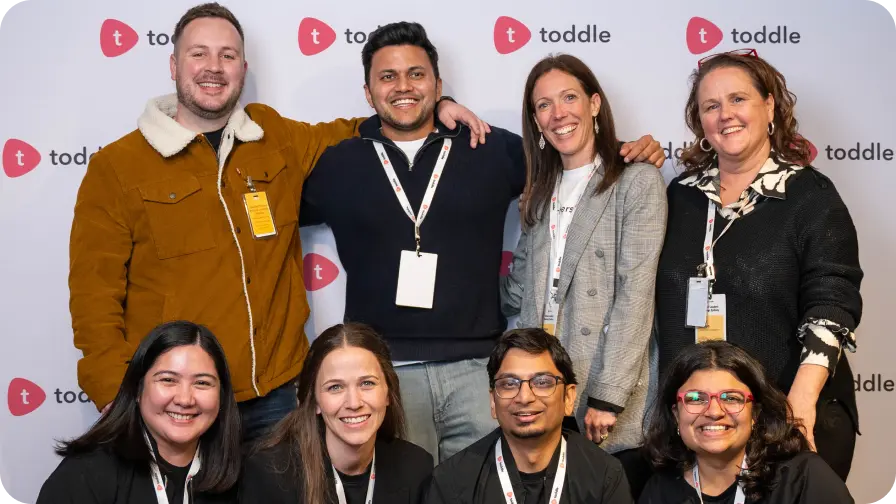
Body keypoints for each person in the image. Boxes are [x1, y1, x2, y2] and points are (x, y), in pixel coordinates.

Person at [68, 3, 487, 442]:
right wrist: (113, 390)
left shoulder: (273, 135)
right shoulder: (117, 167)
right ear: (174, 64)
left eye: (228, 55)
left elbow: (359, 130)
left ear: (243, 68)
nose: (214, 67)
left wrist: (436, 105)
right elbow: (93, 295)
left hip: (278, 395)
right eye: (199, 54)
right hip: (179, 398)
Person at [300, 21, 666, 463]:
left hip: (479, 373)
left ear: (438, 85)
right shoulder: (337, 164)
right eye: (388, 76)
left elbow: (572, 155)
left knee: (485, 488)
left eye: (416, 74)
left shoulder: (488, 147)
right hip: (387, 373)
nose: (403, 87)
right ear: (367, 91)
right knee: (405, 490)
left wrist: (629, 151)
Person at [654, 49, 863, 480]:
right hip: (701, 426)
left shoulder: (810, 195)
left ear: (769, 107)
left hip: (785, 418)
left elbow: (833, 301)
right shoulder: (679, 195)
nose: (725, 115)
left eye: (738, 99)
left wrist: (799, 402)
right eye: (711, 106)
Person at [501, 53, 666, 498]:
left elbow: (636, 294)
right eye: (544, 105)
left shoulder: (636, 181)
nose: (558, 113)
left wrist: (608, 397)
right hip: (544, 388)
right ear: (536, 121)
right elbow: (518, 293)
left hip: (604, 393)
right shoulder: (539, 194)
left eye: (569, 98)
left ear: (594, 104)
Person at [37, 321, 241, 504]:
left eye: (202, 383)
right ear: (137, 389)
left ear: (222, 396)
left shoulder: (244, 475)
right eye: (168, 380)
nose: (185, 399)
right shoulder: (84, 476)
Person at [426, 328, 633, 504]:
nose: (524, 397)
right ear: (493, 401)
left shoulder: (604, 476)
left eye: (542, 382)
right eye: (509, 384)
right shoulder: (452, 481)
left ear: (569, 397)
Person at [639, 340, 855, 503]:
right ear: (676, 414)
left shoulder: (803, 478)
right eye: (696, 398)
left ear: (755, 414)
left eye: (731, 398)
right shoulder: (659, 491)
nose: (714, 412)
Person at [240, 323, 432, 504]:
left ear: (388, 393)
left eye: (367, 383)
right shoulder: (270, 476)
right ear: (315, 401)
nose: (354, 403)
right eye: (335, 387)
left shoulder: (416, 468)